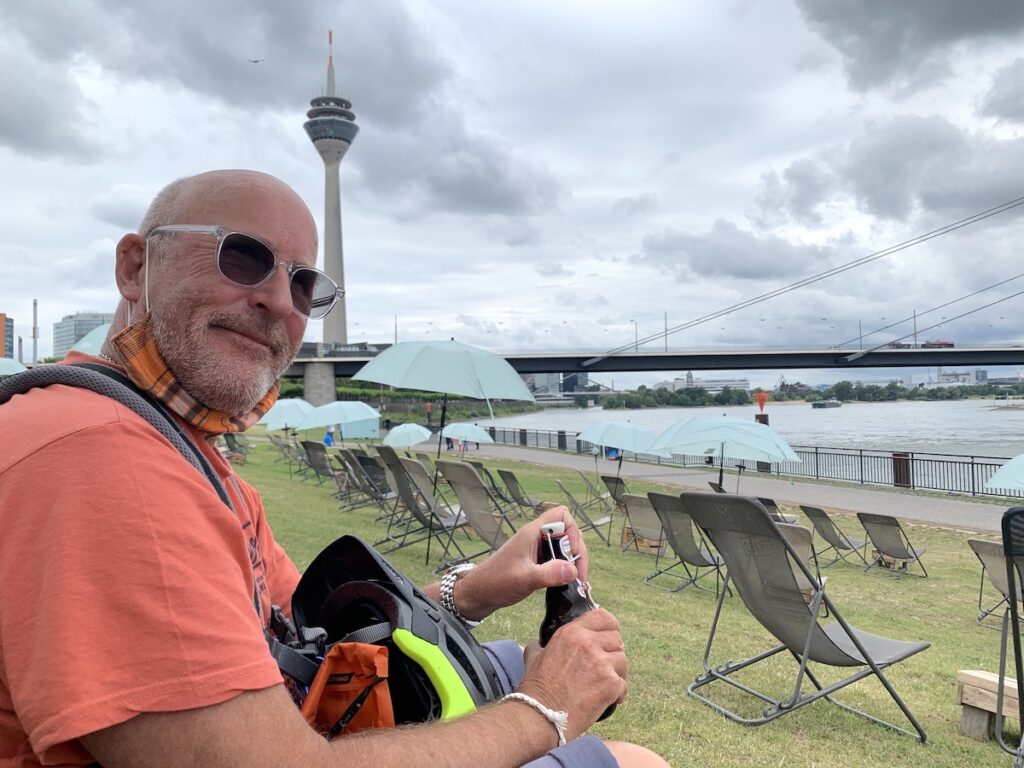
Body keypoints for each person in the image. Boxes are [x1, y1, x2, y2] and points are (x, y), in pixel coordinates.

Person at [0, 170, 668, 768]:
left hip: (295, 712)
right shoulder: (101, 460)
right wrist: (545, 708)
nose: (279, 300)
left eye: (304, 285)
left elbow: (312, 635)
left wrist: (471, 590)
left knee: (522, 661)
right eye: (243, 257)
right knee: (633, 761)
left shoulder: (175, 445)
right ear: (135, 266)